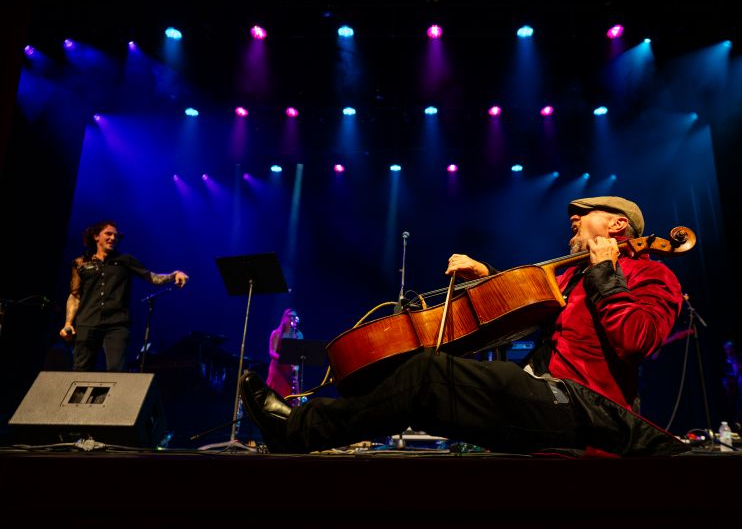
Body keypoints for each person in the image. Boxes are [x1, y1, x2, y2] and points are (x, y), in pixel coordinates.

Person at [239, 196, 689, 456]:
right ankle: (301, 428)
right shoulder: (568, 276)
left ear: (618, 225)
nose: (573, 216)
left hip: (586, 409)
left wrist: (606, 274)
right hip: (541, 394)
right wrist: (488, 282)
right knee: (422, 372)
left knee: (429, 376)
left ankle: (296, 430)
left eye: (586, 211)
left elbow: (636, 341)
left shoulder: (651, 275)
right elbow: (525, 312)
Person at [59, 220, 189, 371]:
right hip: (87, 322)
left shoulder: (125, 260)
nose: (113, 238)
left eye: (116, 236)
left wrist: (174, 275)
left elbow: (152, 277)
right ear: (96, 236)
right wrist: (68, 323)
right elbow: (75, 295)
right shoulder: (80, 263)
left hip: (116, 324)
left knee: (116, 371)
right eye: (108, 234)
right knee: (81, 370)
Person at [266, 308, 304, 398]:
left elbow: (300, 353)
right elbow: (272, 352)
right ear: (284, 318)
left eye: (294, 316)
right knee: (275, 395)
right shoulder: (276, 333)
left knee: (290, 397)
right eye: (290, 316)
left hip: (290, 371)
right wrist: (285, 359)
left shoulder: (299, 335)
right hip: (277, 369)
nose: (292, 318)